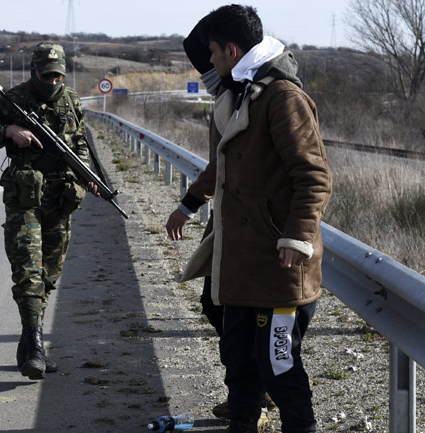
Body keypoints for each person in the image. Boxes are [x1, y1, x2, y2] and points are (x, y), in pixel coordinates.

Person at [166, 5, 332, 433]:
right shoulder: (237, 94)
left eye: (214, 54)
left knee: (277, 363)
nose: (211, 64)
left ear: (232, 49)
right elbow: (224, 166)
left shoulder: (282, 97)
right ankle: (242, 422)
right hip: (240, 257)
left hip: (278, 262)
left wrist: (297, 238)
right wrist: (189, 203)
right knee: (239, 356)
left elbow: (314, 176)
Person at [0, 41, 97, 380]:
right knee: (28, 270)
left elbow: (81, 142)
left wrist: (87, 175)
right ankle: (37, 348)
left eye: (58, 76)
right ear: (34, 71)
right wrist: (8, 130)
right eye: (46, 75)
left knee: (49, 275)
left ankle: (29, 341)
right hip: (24, 199)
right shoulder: (13, 100)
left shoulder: (72, 102)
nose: (52, 81)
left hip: (60, 199)